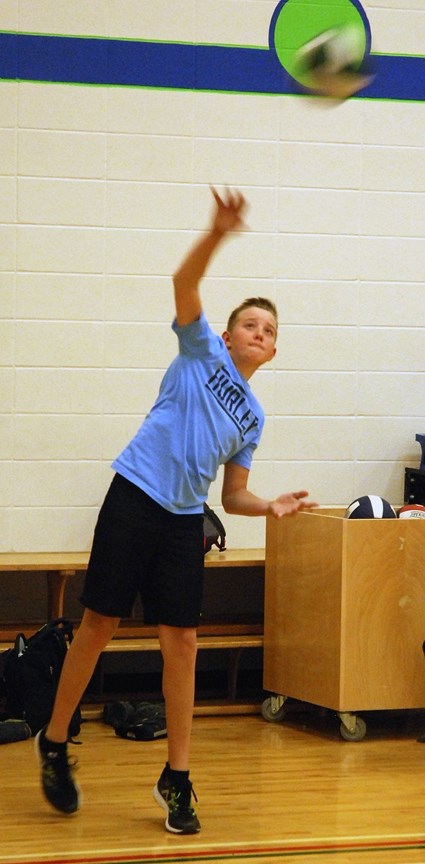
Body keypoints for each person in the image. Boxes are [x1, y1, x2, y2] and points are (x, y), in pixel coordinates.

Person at [35, 187, 316, 835]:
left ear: (271, 354)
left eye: (269, 332)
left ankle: (177, 778)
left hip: (184, 521)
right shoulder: (200, 352)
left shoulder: (253, 415)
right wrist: (217, 232)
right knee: (98, 625)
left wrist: (267, 504)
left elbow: (231, 496)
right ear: (227, 333)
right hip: (134, 495)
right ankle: (54, 742)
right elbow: (182, 278)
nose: (260, 333)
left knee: (182, 644)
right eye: (251, 323)